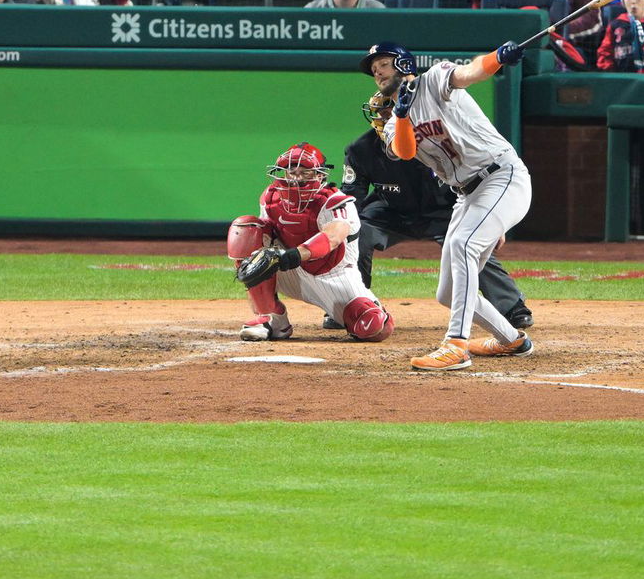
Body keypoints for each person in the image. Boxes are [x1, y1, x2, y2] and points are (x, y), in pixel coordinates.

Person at [362, 39, 531, 371]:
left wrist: (498, 58)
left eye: (383, 64)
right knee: (447, 292)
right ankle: (512, 340)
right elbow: (407, 152)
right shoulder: (396, 122)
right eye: (373, 70)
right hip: (468, 195)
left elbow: (470, 72)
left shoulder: (435, 79)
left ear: (403, 64)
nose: (378, 73)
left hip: (502, 176)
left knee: (463, 244)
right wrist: (403, 113)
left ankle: (456, 344)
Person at [342, 105, 532, 330]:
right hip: (390, 211)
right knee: (355, 233)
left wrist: (492, 222)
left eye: (391, 112)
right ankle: (353, 306)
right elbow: (351, 198)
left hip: (444, 209)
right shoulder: (360, 149)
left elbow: (473, 181)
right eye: (382, 113)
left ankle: (511, 305)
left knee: (469, 242)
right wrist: (341, 227)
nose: (386, 118)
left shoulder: (439, 142)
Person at [226, 142, 395, 344]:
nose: (297, 178)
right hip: (289, 271)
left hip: (333, 277)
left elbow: (332, 237)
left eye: (305, 172)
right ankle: (271, 318)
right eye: (292, 172)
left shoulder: (335, 201)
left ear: (320, 175)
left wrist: (293, 255)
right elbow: (263, 235)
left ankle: (361, 308)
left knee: (373, 328)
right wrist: (260, 260)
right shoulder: (270, 199)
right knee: (245, 228)